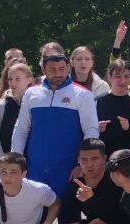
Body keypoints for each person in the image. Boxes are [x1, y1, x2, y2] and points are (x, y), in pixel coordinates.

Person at [11, 43, 100, 198]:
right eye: (52, 69)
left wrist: (81, 165)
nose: (57, 73)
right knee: (36, 210)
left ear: (68, 68)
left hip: (68, 169)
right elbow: (21, 129)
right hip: (35, 168)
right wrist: (16, 161)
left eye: (62, 69)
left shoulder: (82, 94)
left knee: (64, 211)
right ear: (43, 70)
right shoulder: (31, 93)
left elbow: (91, 131)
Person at [96, 60, 130, 167]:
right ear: (109, 77)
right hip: (104, 162)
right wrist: (98, 129)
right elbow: (89, 134)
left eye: (126, 76)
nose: (122, 81)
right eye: (118, 76)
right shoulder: (98, 102)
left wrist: (129, 128)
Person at [0, 62, 34, 156]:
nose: (13, 83)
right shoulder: (1, 105)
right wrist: (1, 159)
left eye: (17, 79)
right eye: (10, 79)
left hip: (31, 160)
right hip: (5, 160)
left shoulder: (35, 104)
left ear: (29, 80)